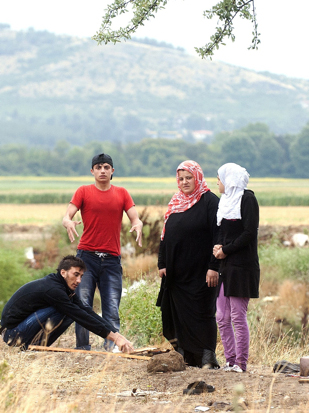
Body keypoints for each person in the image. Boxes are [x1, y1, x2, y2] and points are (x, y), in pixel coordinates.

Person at [62, 153, 143, 351]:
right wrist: (68, 222)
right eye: (98, 167)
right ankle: (83, 348)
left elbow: (135, 217)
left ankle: (111, 348)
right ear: (92, 171)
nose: (103, 170)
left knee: (112, 307)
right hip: (86, 258)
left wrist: (137, 224)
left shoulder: (122, 193)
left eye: (106, 167)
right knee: (82, 306)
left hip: (111, 260)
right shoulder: (83, 191)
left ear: (112, 171)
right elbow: (67, 215)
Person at [156, 160, 221, 368]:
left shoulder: (210, 201)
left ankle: (207, 356)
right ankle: (182, 354)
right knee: (177, 313)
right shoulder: (176, 201)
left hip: (202, 271)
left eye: (188, 178)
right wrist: (162, 263)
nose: (184, 182)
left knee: (203, 311)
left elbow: (218, 235)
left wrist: (214, 266)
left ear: (198, 177)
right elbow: (165, 235)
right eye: (181, 178)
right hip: (176, 272)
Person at [0, 255, 134, 353]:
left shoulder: (63, 288)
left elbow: (86, 311)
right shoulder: (54, 290)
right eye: (75, 275)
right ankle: (32, 347)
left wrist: (118, 336)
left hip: (21, 329)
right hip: (12, 334)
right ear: (63, 273)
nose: (79, 280)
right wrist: (115, 338)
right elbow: (79, 315)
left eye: (81, 276)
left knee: (74, 310)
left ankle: (36, 346)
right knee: (67, 311)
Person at [213, 163, 260, 373]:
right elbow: (222, 231)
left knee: (237, 317)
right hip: (225, 265)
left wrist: (227, 249)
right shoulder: (225, 202)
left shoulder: (247, 199)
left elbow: (249, 232)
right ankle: (230, 361)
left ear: (229, 179)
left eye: (219, 178)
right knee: (221, 317)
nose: (217, 182)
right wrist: (218, 247)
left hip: (242, 266)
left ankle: (241, 363)